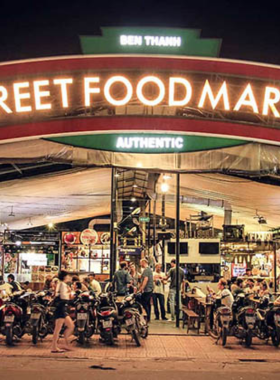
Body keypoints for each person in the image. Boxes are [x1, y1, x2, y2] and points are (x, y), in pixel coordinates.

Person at [51, 271, 75, 353]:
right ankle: (54, 347)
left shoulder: (62, 284)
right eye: (68, 276)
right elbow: (64, 297)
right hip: (61, 307)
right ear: (65, 277)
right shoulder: (62, 285)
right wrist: (71, 299)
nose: (69, 277)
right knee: (58, 328)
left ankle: (66, 344)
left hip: (63, 308)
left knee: (71, 325)